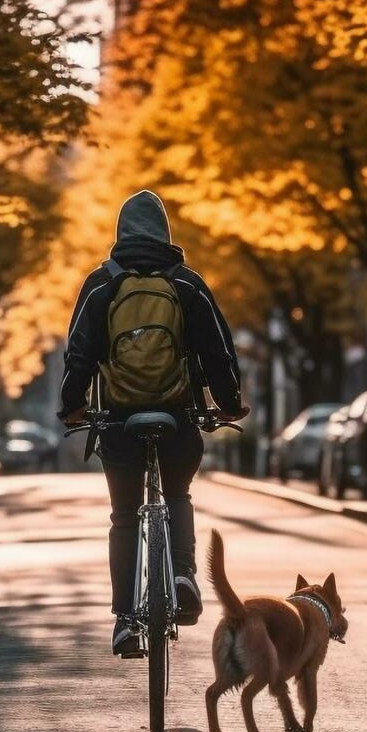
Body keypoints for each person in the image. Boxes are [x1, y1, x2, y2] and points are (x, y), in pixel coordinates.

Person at [58, 190, 247, 656]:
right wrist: (228, 402)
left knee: (124, 515)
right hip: (177, 415)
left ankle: (124, 619)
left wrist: (72, 407)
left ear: (120, 233)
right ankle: (182, 573)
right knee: (178, 492)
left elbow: (78, 353)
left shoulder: (102, 284)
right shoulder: (187, 283)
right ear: (166, 233)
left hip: (119, 419)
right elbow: (218, 352)